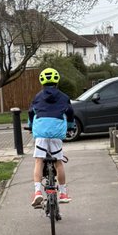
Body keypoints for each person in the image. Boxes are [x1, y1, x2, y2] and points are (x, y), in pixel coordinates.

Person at [27, 67, 74, 208]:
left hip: (41, 132)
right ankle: (63, 193)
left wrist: (30, 126)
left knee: (39, 161)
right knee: (58, 162)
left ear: (42, 82)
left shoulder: (37, 97)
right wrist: (70, 126)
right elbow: (70, 112)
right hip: (56, 133)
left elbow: (31, 112)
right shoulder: (64, 97)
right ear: (57, 81)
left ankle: (37, 192)